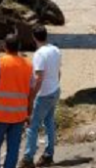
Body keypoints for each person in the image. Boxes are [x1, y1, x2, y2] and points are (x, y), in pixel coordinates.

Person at [0, 34, 34, 168]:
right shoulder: (28, 65)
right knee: (13, 149)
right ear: (19, 47)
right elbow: (31, 93)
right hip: (18, 115)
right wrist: (29, 114)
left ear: (4, 46)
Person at [21, 25, 63, 168]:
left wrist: (31, 98)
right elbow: (58, 72)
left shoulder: (39, 54)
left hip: (43, 95)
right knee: (49, 123)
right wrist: (55, 85)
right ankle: (48, 155)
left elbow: (39, 79)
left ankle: (28, 158)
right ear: (46, 35)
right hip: (55, 91)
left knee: (32, 126)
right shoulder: (55, 50)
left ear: (34, 37)